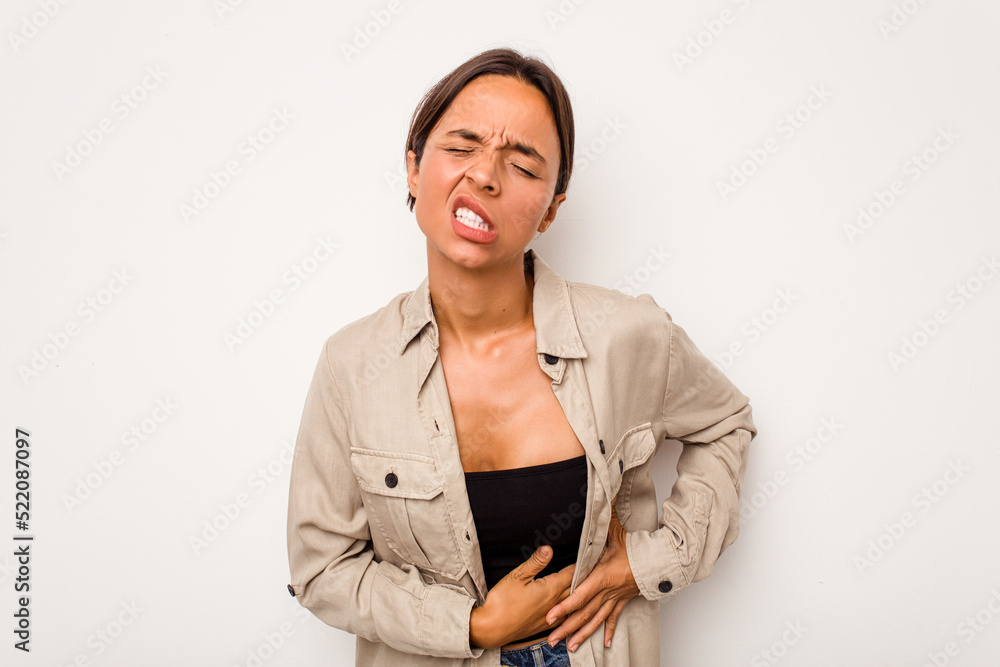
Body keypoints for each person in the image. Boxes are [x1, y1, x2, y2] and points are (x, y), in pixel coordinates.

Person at [286, 47, 757, 667]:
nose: (485, 176)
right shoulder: (352, 365)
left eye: (523, 165)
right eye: (462, 146)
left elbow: (725, 422)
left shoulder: (627, 336)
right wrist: (471, 625)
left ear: (552, 208)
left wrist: (649, 563)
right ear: (414, 168)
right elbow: (321, 569)